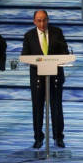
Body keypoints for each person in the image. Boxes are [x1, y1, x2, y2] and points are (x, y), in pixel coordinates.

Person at [22, 9, 69, 149]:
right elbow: (25, 56)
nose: (42, 23)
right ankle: (38, 138)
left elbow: (65, 52)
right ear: (34, 21)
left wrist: (55, 59)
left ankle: (58, 137)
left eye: (44, 20)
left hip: (55, 77)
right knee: (37, 108)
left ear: (48, 19)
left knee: (56, 108)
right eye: (39, 20)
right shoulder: (29, 36)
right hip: (37, 78)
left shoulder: (57, 32)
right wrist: (40, 61)